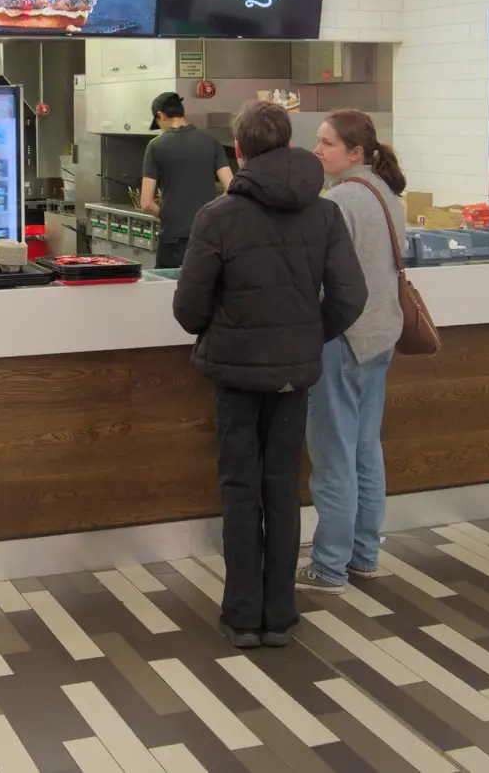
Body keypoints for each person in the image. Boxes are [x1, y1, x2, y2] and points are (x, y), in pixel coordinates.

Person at [172, 100, 367, 647]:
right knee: (283, 488)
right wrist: (308, 335)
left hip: (236, 378)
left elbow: (188, 310)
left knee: (240, 490)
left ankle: (242, 616)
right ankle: (280, 617)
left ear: (240, 150)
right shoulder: (324, 211)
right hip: (295, 378)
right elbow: (351, 296)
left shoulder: (218, 217)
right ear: (288, 143)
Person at [298, 108, 407, 594]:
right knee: (366, 450)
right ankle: (364, 555)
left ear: (356, 152)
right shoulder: (387, 195)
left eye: (326, 144)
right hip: (381, 337)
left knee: (333, 456)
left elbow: (319, 276)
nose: (317, 151)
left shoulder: (340, 200)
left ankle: (328, 566)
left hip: (341, 340)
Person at [141, 92, 233, 269]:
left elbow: (146, 202)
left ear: (160, 115)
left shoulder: (155, 146)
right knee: (204, 292)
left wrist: (167, 214)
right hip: (207, 236)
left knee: (169, 291)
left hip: (172, 239)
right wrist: (209, 212)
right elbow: (232, 188)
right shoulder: (211, 142)